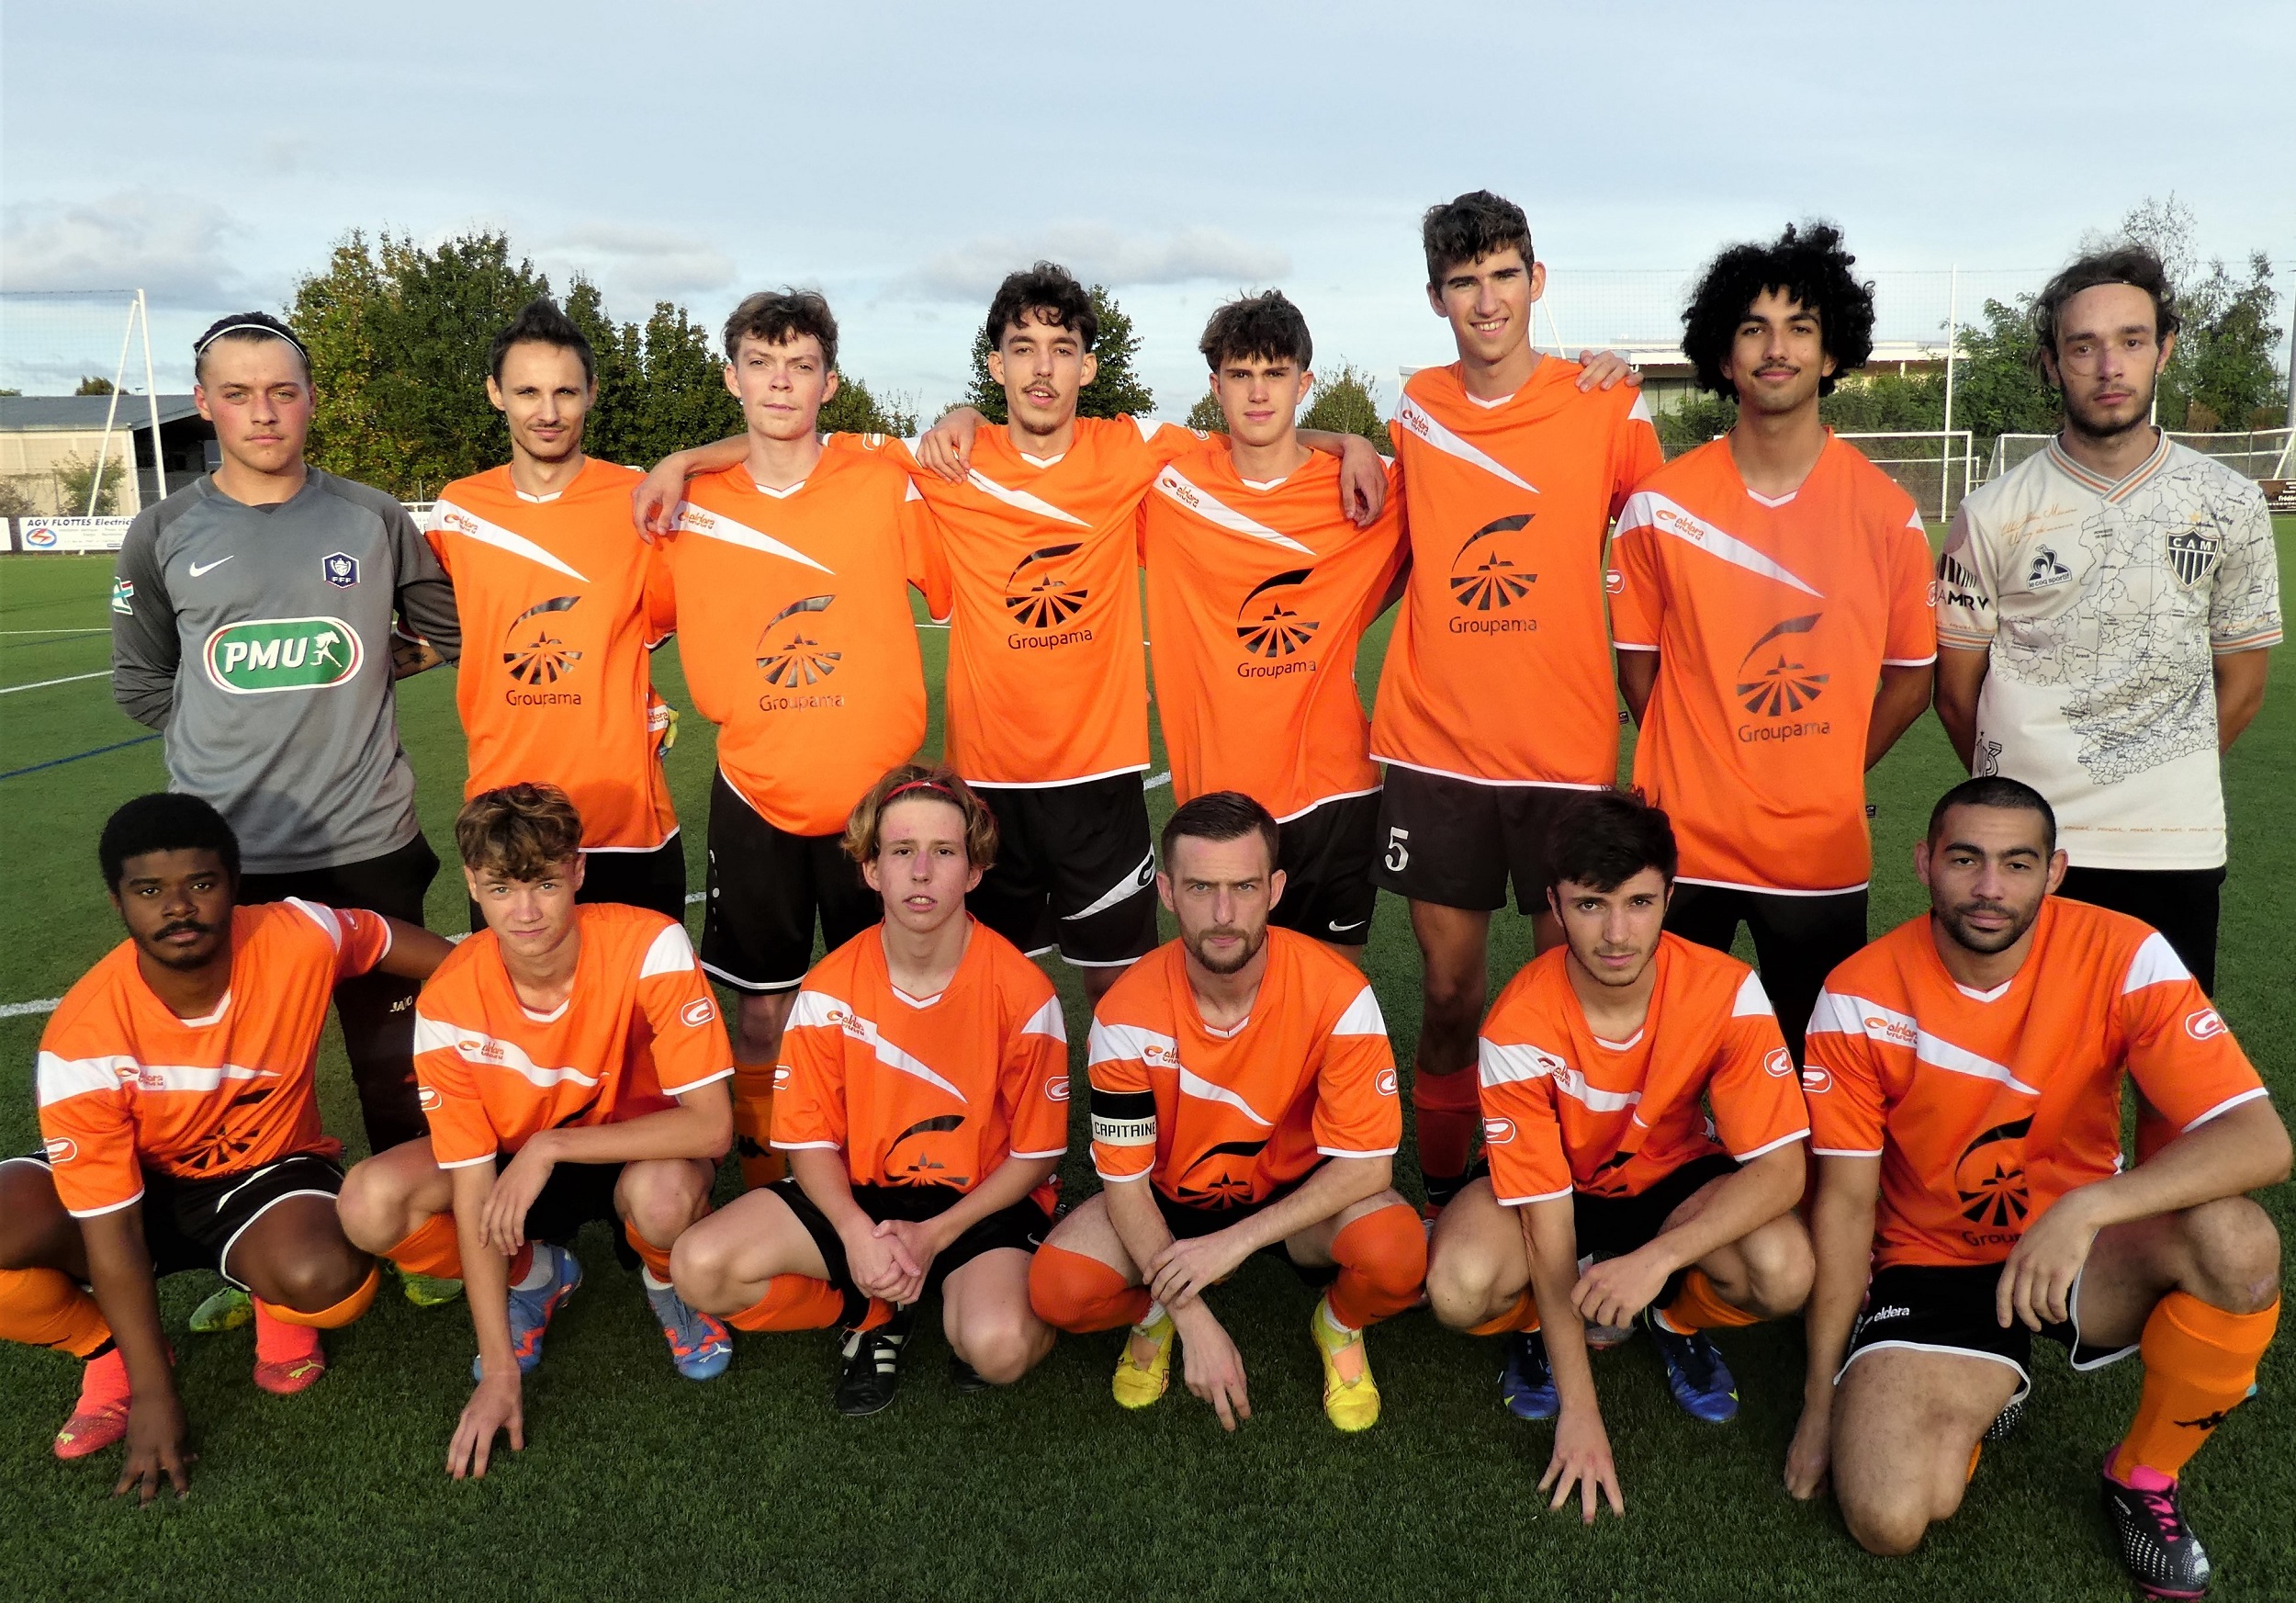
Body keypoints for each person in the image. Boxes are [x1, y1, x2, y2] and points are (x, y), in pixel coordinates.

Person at [637, 262, 1387, 1013]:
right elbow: (793, 443)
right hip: (988, 783)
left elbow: (1255, 425)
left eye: (1062, 348)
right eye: (1022, 347)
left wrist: (1347, 440)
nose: (1042, 367)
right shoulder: (948, 463)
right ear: (996, 362)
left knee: (1119, 992)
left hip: (1101, 783)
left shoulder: (1132, 448)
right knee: (988, 997)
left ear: (1088, 366)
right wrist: (682, 460)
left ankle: (1118, 1131)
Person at [1790, 776, 2285, 1600]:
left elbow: (2261, 1139)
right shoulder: (1858, 993)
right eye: (1966, 859)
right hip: (1931, 1260)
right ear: (1924, 863)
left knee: (2239, 1242)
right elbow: (1843, 1203)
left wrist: (2090, 1205)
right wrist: (1816, 1402)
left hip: (2080, 1248)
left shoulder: (2124, 952)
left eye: (2017, 863)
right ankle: (1982, 1387)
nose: (1990, 887)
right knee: (1890, 1517)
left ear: (2054, 871)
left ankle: (2142, 1476)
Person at [0, 794, 448, 1497]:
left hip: (262, 1173)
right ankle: (111, 1353)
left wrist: (523, 994)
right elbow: (112, 1227)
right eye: (149, 890)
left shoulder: (298, 933)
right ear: (118, 902)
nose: (177, 908)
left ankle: (265, 1289)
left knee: (324, 1278)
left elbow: (403, 948)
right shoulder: (82, 1038)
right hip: (134, 1186)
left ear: (234, 885)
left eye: (200, 884)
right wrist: (155, 1393)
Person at [110, 312, 463, 1169]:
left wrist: (369, 670)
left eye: (281, 392)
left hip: (367, 839)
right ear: (204, 405)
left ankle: (417, 1236)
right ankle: (260, 1229)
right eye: (238, 394)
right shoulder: (160, 533)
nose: (262, 412)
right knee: (244, 1070)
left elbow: (448, 630)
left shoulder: (373, 518)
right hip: (230, 851)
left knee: (393, 1062)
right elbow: (142, 681)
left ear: (310, 401)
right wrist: (230, 732)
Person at [1369, 193, 1665, 1211]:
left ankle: (1568, 1193)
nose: (1486, 300)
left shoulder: (1605, 402)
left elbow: (1664, 541)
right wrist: (1338, 444)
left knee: (1568, 996)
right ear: (1436, 297)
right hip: (1436, 748)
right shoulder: (1414, 401)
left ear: (1536, 281)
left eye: (1503, 276)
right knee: (1450, 994)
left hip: (1563, 755)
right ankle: (1447, 1192)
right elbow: (1379, 492)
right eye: (1464, 282)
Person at [1425, 789, 1813, 1519]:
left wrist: (1657, 1260)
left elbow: (1783, 1169)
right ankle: (1539, 1327)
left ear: (1670, 895)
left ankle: (1675, 1320)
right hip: (1557, 1193)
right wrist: (1583, 1411)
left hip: (1670, 1183)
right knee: (1458, 1286)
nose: (1615, 932)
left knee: (1785, 1270)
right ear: (1555, 903)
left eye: (1638, 902)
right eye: (1591, 904)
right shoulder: (1519, 1021)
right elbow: (1544, 1221)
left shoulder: (1726, 991)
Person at [334, 785, 736, 1480]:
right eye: (501, 887)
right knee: (369, 1201)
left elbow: (711, 1126)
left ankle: (666, 1277)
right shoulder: (450, 999)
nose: (525, 911)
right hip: (512, 1159)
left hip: (638, 1145)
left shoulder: (650, 943)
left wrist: (552, 1146)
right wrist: (497, 1369)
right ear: (471, 885)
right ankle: (538, 1274)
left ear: (577, 871)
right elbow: (471, 1185)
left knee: (666, 1200)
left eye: (545, 883)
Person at [644, 289, 949, 1191]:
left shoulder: (883, 479)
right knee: (759, 1016)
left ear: (830, 381)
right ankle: (767, 1179)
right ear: (732, 376)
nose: (782, 383)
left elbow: (958, 562)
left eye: (801, 365)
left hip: (880, 800)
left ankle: (897, 1164)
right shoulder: (685, 507)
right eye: (763, 364)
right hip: (756, 794)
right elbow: (633, 625)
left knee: (895, 1005)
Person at [1612, 222, 1936, 1063]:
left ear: (1832, 354)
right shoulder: (1659, 505)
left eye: (1800, 327)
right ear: (1723, 357)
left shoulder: (1884, 512)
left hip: (1818, 852)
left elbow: (1911, 679)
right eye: (1753, 328)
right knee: (1671, 1063)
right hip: (1685, 841)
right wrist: (1707, 757)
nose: (1776, 348)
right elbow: (1638, 670)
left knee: (1817, 1068)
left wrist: (1826, 767)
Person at [1932, 245, 2280, 998]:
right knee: (2035, 1077)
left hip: (2174, 841)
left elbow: (2244, 681)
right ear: (2053, 364)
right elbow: (1955, 692)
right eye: (2082, 346)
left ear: (2165, 349)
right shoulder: (1991, 512)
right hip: (2025, 851)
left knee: (2172, 1084)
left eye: (2130, 340)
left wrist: (2162, 765)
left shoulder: (2230, 503)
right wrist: (2015, 803)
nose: (2108, 365)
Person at [670, 765, 1068, 1416]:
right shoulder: (828, 989)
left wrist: (934, 1235)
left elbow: (1038, 1154)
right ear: (871, 869)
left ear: (972, 871)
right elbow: (808, 1140)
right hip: (862, 1192)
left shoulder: (1022, 993)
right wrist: (856, 1232)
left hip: (977, 1204)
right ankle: (872, 1309)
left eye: (943, 852)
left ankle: (964, 1287)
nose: (920, 871)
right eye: (901, 850)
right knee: (700, 1265)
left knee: (997, 1347)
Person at [1029, 791, 1424, 1433]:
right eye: (1200, 887)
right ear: (1166, 891)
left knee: (1397, 1252)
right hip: (1168, 1199)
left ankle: (1339, 1322)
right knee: (1059, 1288)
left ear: (1274, 887)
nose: (1222, 912)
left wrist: (1231, 1244)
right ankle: (1152, 1308)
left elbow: (1367, 1166)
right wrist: (1189, 1312)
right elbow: (1124, 1185)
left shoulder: (1338, 993)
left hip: (1294, 1197)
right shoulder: (1126, 1011)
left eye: (1242, 886)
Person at [1139, 290, 1408, 959]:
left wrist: (1355, 446)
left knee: (1330, 999)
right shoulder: (1168, 486)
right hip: (1220, 802)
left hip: (1338, 792)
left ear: (1303, 382)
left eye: (1275, 373)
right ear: (1215, 385)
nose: (1258, 393)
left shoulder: (1369, 490)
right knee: (1230, 1003)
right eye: (1240, 374)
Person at [425, 298, 684, 928]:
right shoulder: (457, 513)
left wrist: (685, 461)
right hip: (503, 822)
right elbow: (437, 638)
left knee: (638, 1021)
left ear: (591, 392)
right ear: (495, 393)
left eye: (565, 391)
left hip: (626, 822)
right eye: (527, 391)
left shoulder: (639, 502)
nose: (547, 412)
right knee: (521, 1024)